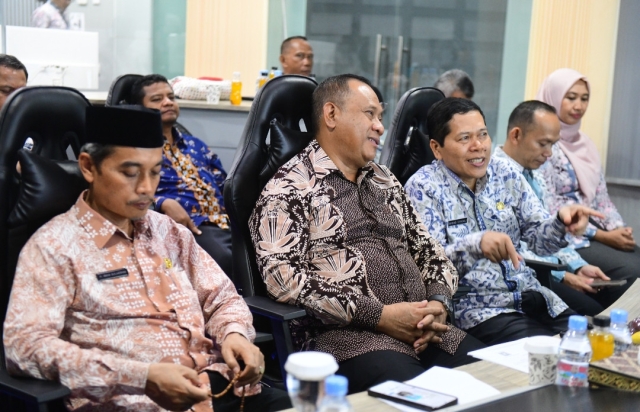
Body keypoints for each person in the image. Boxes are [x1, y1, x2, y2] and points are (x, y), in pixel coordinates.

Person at [3, 106, 290, 412]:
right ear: (88, 167)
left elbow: (221, 297)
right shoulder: (54, 247)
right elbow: (25, 346)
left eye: (155, 172)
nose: (146, 188)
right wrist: (142, 376)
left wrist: (235, 334)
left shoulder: (168, 232)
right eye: (130, 173)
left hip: (219, 387)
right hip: (137, 401)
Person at [250, 74, 486, 394]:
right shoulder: (290, 188)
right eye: (370, 114)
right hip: (347, 339)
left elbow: (429, 250)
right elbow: (282, 278)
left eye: (380, 117)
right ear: (331, 114)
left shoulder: (384, 179)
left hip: (424, 331)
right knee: (423, 398)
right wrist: (379, 316)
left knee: (494, 381)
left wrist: (438, 303)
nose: (380, 127)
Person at [404, 98, 602, 345]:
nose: (478, 146)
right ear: (436, 148)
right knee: (551, 355)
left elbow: (541, 243)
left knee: (594, 344)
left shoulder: (505, 174)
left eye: (483, 135)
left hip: (534, 295)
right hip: (482, 309)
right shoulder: (423, 188)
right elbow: (428, 268)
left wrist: (562, 223)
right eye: (465, 138)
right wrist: (476, 245)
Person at [495, 100, 629, 315]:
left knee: (611, 296)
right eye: (543, 143)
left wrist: (578, 265)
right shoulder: (496, 178)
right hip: (521, 274)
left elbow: (548, 228)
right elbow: (513, 246)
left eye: (553, 144)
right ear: (516, 135)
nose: (549, 153)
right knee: (592, 312)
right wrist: (563, 275)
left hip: (547, 266)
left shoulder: (535, 175)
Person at [536, 68, 640, 285]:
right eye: (571, 97)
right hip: (567, 235)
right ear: (553, 98)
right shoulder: (542, 145)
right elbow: (548, 206)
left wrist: (619, 229)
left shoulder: (586, 145)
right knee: (632, 270)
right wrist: (603, 236)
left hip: (594, 226)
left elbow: (601, 198)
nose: (579, 106)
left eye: (584, 99)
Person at [131, 74, 233, 276]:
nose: (168, 102)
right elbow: (126, 191)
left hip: (225, 221)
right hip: (189, 226)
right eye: (157, 99)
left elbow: (226, 185)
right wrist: (161, 202)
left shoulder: (196, 144)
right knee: (227, 259)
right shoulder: (136, 148)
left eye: (171, 97)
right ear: (140, 108)